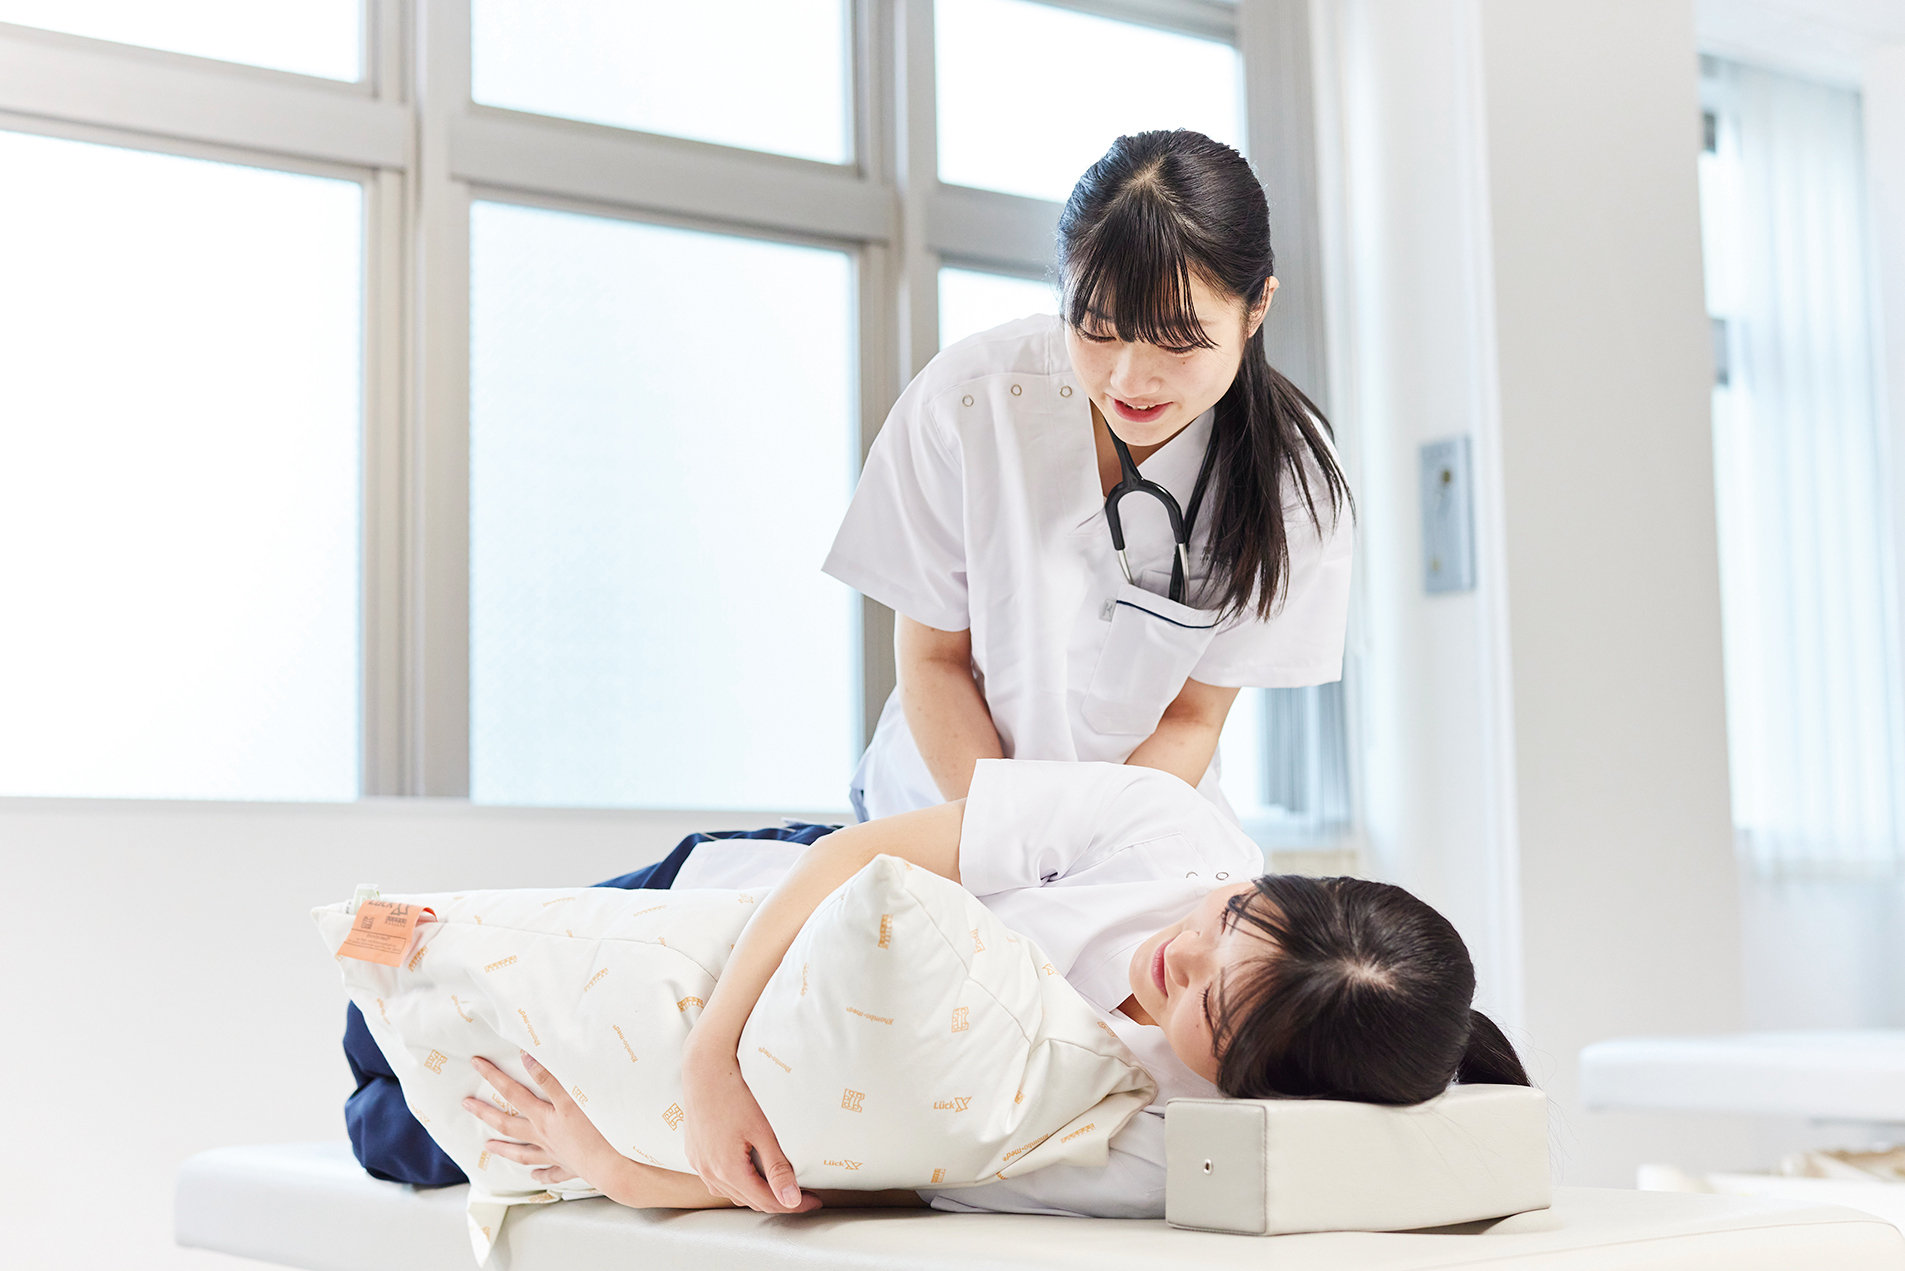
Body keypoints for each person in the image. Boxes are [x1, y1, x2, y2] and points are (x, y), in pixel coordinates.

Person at [458, 761, 1528, 1219]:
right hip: (732, 912)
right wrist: (708, 1063)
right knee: (411, 951)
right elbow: (859, 852)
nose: (1179, 955)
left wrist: (621, 1172)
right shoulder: (1170, 828)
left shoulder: (1162, 1134)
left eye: (1209, 1004)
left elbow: (887, 1178)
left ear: (1257, 1080)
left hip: (703, 1085)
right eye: (1232, 919)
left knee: (398, 1133)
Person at [824, 129, 1355, 824]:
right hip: (941, 806)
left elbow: (1193, 716)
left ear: (1257, 307)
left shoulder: (1292, 481)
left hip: (1136, 821)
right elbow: (934, 662)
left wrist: (1087, 853)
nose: (1129, 378)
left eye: (1177, 339)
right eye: (1097, 328)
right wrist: (1004, 838)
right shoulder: (968, 403)